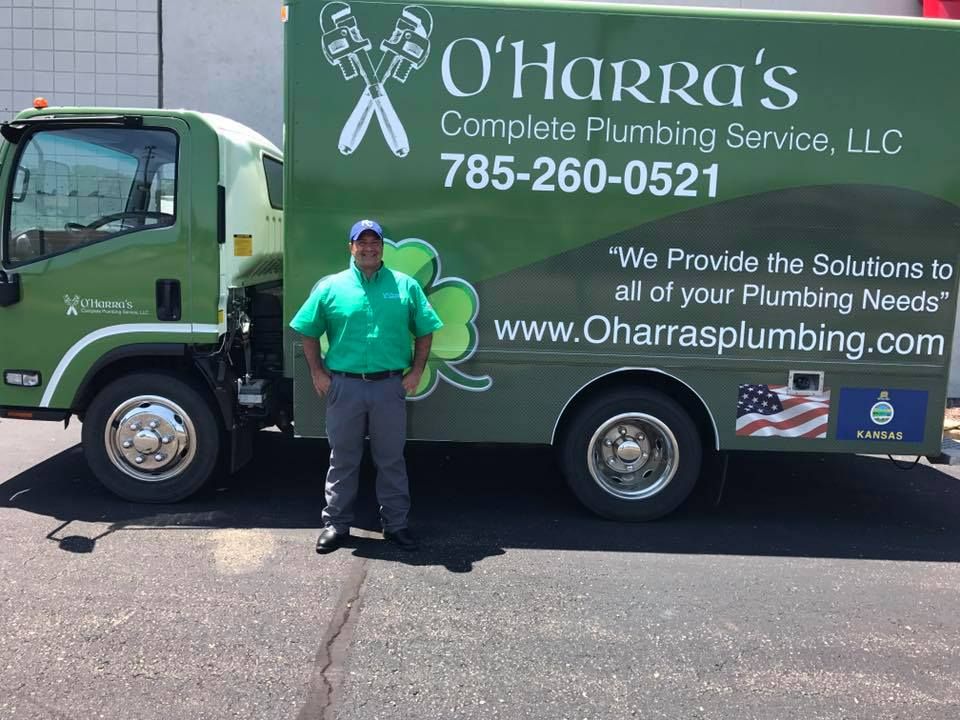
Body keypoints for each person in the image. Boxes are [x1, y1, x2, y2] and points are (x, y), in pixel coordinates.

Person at [290, 219, 443, 553]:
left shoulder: (404, 286)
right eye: (362, 242)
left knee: (390, 459)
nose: (369, 248)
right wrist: (317, 372)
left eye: (375, 242)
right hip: (344, 387)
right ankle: (336, 525)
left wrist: (416, 370)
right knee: (343, 458)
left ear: (382, 247)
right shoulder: (332, 287)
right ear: (351, 247)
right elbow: (307, 329)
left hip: (389, 387)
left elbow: (426, 328)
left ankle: (396, 525)